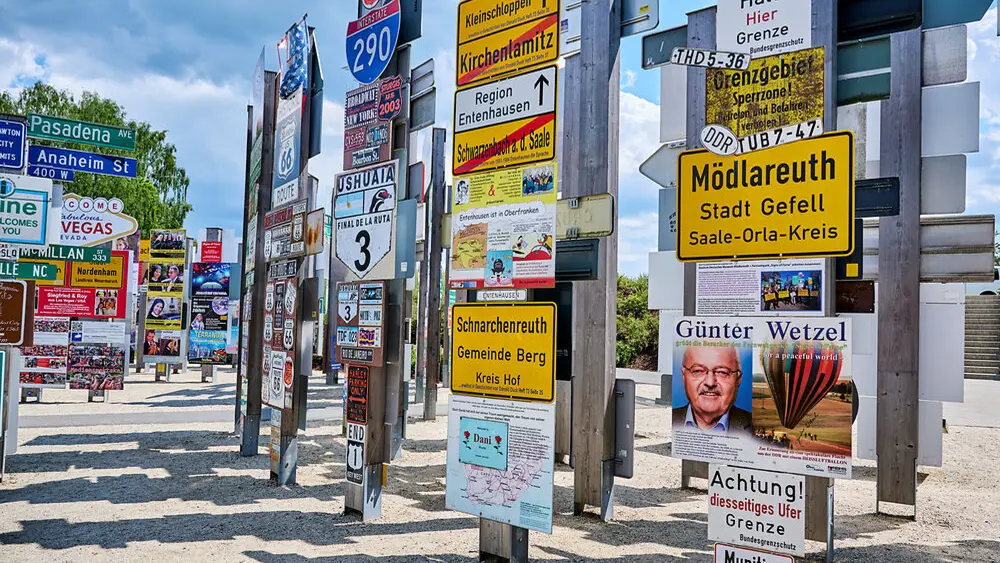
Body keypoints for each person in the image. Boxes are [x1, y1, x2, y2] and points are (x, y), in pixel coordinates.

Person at [673, 345, 752, 434]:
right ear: (684, 376)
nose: (710, 383)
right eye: (698, 371)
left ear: (738, 379)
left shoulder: (755, 428)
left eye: (722, 372)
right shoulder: (672, 420)